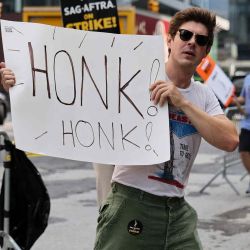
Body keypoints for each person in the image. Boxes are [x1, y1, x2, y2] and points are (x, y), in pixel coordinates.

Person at [0, 7, 239, 250]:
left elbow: (229, 140)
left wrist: (183, 102)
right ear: (170, 39)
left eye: (200, 40)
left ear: (206, 51)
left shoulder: (203, 95)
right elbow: (72, 94)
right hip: (132, 202)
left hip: (178, 213)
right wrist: (22, 83)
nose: (191, 43)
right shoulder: (135, 75)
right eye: (185, 35)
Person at [235, 74, 250, 193]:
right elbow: (244, 98)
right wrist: (233, 98)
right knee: (243, 151)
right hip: (247, 123)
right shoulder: (247, 78)